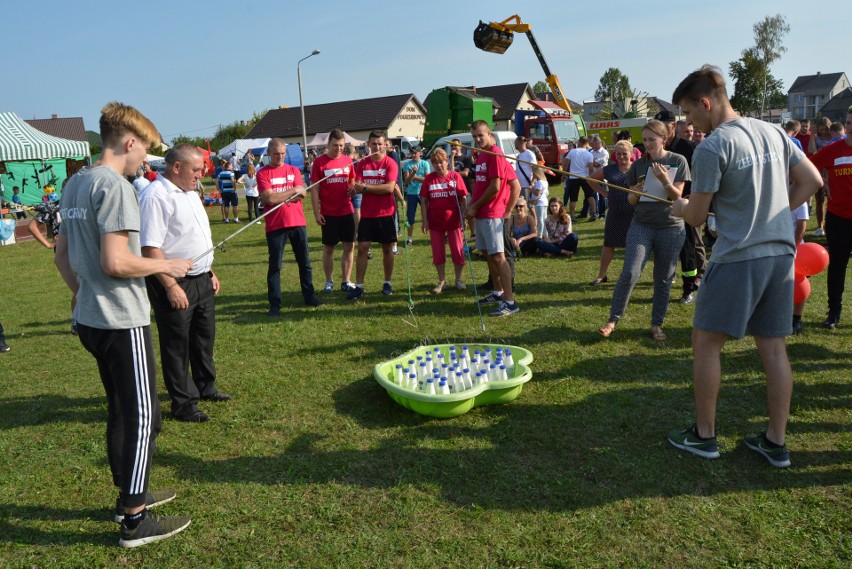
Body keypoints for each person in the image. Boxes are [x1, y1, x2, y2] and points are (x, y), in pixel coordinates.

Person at [667, 65, 823, 468]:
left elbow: (697, 216)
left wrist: (680, 206)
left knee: (705, 343)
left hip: (739, 258)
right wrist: (773, 213)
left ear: (706, 102)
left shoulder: (712, 146)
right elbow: (811, 181)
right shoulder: (774, 132)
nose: (688, 122)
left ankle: (704, 436)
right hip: (781, 256)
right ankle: (775, 442)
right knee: (773, 348)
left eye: (688, 112)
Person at [54, 102, 192, 547]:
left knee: (121, 409)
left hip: (91, 318)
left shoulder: (75, 183)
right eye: (144, 152)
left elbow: (62, 253)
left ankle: (130, 495)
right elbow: (115, 261)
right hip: (119, 320)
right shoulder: (114, 186)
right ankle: (134, 517)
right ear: (129, 142)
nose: (144, 162)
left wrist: (79, 290)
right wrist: (165, 264)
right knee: (144, 415)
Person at [140, 144, 230, 423]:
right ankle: (183, 402)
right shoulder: (156, 196)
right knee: (176, 343)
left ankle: (204, 386)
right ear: (176, 167)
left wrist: (209, 270)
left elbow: (195, 237)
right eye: (196, 169)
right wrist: (170, 286)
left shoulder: (191, 193)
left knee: (204, 336)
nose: (201, 174)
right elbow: (149, 248)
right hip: (174, 280)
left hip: (201, 278)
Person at [597, 120, 689, 342]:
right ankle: (612, 320)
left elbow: (678, 198)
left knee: (663, 278)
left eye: (651, 139)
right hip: (642, 225)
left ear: (663, 139)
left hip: (671, 227)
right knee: (630, 272)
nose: (647, 144)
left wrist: (664, 179)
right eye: (645, 139)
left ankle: (657, 324)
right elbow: (631, 200)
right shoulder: (638, 165)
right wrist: (635, 192)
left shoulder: (678, 161)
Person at [257, 138, 322, 314]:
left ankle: (309, 297)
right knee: (275, 266)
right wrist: (293, 191)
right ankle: (275, 304)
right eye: (276, 154)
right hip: (275, 225)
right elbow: (269, 199)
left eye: (283, 154)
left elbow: (303, 194)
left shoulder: (293, 170)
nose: (280, 157)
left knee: (305, 262)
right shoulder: (263, 173)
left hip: (297, 222)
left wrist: (289, 194)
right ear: (269, 153)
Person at [466, 120, 521, 317]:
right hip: (482, 213)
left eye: (480, 135)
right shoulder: (482, 155)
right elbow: (511, 183)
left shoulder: (495, 153)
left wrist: (475, 206)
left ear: (489, 133)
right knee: (487, 253)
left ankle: (510, 302)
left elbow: (495, 187)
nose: (478, 139)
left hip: (491, 213)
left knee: (499, 256)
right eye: (474, 137)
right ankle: (497, 292)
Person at [809, 106, 852, 329]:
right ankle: (833, 313)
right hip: (838, 219)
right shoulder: (833, 150)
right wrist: (823, 183)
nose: (850, 128)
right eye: (848, 123)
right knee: (837, 267)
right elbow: (808, 168)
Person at [656, 109, 704, 305]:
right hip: (663, 207)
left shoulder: (688, 147)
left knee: (687, 249)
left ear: (673, 127)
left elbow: (701, 174)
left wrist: (695, 196)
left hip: (685, 205)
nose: (661, 132)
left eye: (664, 127)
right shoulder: (656, 150)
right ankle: (663, 288)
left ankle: (688, 288)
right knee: (663, 250)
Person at [347, 130, 399, 299]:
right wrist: (354, 190)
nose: (377, 146)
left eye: (380, 143)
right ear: (368, 144)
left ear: (385, 144)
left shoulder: (390, 163)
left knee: (387, 249)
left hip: (386, 213)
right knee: (362, 249)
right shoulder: (362, 163)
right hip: (367, 214)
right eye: (374, 143)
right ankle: (359, 286)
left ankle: (387, 283)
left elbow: (390, 188)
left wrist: (367, 188)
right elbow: (357, 185)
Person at [310, 129, 357, 294]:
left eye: (341, 145)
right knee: (329, 248)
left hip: (346, 210)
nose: (339, 148)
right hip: (329, 213)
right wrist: (317, 212)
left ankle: (346, 281)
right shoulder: (319, 162)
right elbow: (314, 189)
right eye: (335, 145)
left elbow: (352, 181)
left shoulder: (347, 161)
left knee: (349, 246)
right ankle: (329, 281)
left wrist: (352, 189)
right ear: (328, 144)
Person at [420, 147, 468, 293]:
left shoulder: (455, 177)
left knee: (457, 251)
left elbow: (463, 198)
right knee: (438, 252)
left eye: (441, 162)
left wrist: (463, 217)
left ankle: (458, 280)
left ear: (447, 161)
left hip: (454, 221)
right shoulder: (429, 179)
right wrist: (424, 221)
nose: (438, 165)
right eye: (435, 163)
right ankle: (442, 281)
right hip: (435, 222)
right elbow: (424, 200)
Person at [588, 140, 635, 285]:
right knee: (609, 244)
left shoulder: (637, 168)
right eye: (618, 154)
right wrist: (603, 192)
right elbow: (590, 179)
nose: (621, 157)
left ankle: (629, 275)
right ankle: (602, 275)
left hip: (634, 213)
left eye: (624, 154)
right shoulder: (609, 169)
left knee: (633, 245)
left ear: (631, 153)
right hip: (615, 211)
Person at [808, 117, 833, 237]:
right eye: (820, 129)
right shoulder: (816, 138)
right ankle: (820, 227)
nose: (823, 132)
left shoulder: (834, 138)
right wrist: (812, 134)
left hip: (832, 172)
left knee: (833, 199)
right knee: (819, 200)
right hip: (819, 172)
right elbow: (811, 150)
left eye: (825, 129)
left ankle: (832, 226)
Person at [402, 146, 431, 246]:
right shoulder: (407, 164)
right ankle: (410, 239)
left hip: (424, 193)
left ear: (420, 154)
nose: (413, 155)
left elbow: (427, 180)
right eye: (412, 153)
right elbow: (406, 181)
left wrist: (414, 176)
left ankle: (433, 236)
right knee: (410, 217)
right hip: (411, 194)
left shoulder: (425, 163)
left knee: (429, 214)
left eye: (415, 153)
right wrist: (413, 172)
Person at [449, 138, 475, 241]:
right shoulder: (449, 159)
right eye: (452, 145)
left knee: (468, 212)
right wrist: (451, 157)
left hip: (465, 188)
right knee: (457, 214)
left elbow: (466, 173)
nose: (454, 147)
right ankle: (460, 234)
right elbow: (449, 172)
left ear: (460, 146)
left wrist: (454, 174)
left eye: (455, 145)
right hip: (453, 189)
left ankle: (473, 234)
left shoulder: (466, 159)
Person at [562, 136, 594, 220]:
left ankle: (572, 216)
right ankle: (593, 213)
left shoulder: (572, 151)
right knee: (590, 196)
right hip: (585, 177)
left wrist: (564, 174)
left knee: (573, 198)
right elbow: (591, 168)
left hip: (573, 177)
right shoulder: (589, 154)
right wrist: (591, 178)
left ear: (579, 142)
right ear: (586, 143)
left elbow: (565, 163)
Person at [790, 200, 809, 334]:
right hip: (776, 246)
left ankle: (796, 318)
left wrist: (794, 247)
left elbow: (801, 228)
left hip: (795, 248)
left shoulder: (800, 202)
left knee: (798, 283)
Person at [586, 134, 609, 221]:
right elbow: (589, 163)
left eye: (593, 144)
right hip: (592, 177)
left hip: (601, 177)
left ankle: (602, 214)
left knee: (602, 194)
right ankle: (593, 212)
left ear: (598, 143)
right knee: (591, 195)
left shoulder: (604, 152)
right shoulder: (591, 152)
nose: (592, 145)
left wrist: (590, 161)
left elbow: (597, 164)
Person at [528, 164, 549, 238]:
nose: (533, 174)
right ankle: (545, 234)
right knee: (544, 219)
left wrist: (531, 189)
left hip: (539, 203)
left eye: (534, 173)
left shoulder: (539, 182)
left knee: (540, 220)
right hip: (544, 202)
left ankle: (539, 235)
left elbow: (537, 193)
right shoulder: (545, 181)